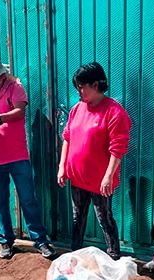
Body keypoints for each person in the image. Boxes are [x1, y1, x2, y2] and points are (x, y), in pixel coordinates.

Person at [0, 51, 55, 260]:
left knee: (28, 199)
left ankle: (40, 240)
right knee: (0, 202)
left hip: (17, 157)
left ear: (0, 76)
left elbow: (19, 111)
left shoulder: (15, 88)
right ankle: (5, 241)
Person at [57, 62, 131, 261]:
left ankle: (114, 257)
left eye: (82, 86)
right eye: (77, 87)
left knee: (104, 218)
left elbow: (118, 148)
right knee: (77, 217)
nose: (79, 91)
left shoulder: (115, 112)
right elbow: (67, 137)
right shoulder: (77, 109)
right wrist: (62, 166)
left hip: (100, 181)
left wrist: (108, 176)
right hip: (77, 177)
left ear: (96, 85)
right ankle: (74, 255)